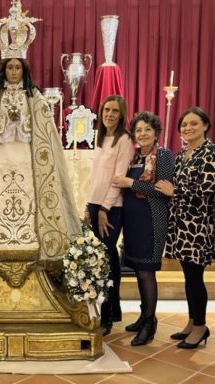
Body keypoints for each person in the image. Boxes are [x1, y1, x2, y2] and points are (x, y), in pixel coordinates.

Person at [0, 57, 81, 263]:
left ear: (24, 70)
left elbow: (45, 130)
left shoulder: (35, 97)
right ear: (4, 70)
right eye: (10, 67)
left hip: (28, 160)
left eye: (17, 68)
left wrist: (22, 121)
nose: (13, 72)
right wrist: (4, 122)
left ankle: (36, 241)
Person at [157, 107, 215, 349]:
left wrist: (175, 192)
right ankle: (192, 321)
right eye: (184, 125)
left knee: (195, 278)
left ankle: (201, 327)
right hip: (181, 224)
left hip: (197, 225)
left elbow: (207, 190)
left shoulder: (211, 152)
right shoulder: (184, 151)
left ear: (205, 125)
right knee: (188, 277)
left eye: (193, 124)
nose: (188, 128)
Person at [111, 111, 174, 346]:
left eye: (147, 129)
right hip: (133, 222)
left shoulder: (164, 155)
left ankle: (150, 323)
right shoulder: (135, 157)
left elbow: (162, 189)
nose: (143, 133)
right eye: (138, 130)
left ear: (156, 132)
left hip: (152, 219)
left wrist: (130, 183)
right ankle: (143, 315)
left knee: (147, 272)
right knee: (138, 269)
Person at [83, 95, 134, 336]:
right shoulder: (101, 137)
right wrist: (88, 207)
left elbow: (118, 179)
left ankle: (108, 315)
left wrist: (104, 209)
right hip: (95, 205)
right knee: (98, 259)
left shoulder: (124, 140)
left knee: (107, 259)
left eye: (115, 111)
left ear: (121, 115)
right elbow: (97, 178)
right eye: (106, 110)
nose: (110, 114)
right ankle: (101, 310)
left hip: (112, 208)